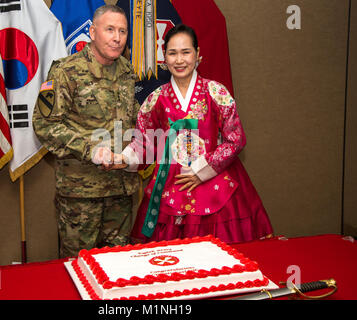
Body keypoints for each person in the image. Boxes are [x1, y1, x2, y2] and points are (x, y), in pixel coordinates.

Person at [105, 24, 273, 244]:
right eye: (172, 53)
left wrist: (201, 169)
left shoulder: (216, 92)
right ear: (164, 58)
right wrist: (123, 158)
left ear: (198, 55)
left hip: (215, 182)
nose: (179, 60)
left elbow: (235, 139)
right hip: (170, 183)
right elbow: (145, 144)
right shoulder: (155, 99)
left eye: (186, 52)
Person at [32, 5, 140, 258]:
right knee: (79, 268)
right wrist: (91, 151)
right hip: (81, 194)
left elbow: (132, 119)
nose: (117, 38)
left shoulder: (126, 71)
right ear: (92, 32)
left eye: (122, 31)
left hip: (121, 189)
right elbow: (45, 124)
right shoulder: (65, 70)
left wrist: (136, 148)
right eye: (110, 29)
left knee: (120, 268)